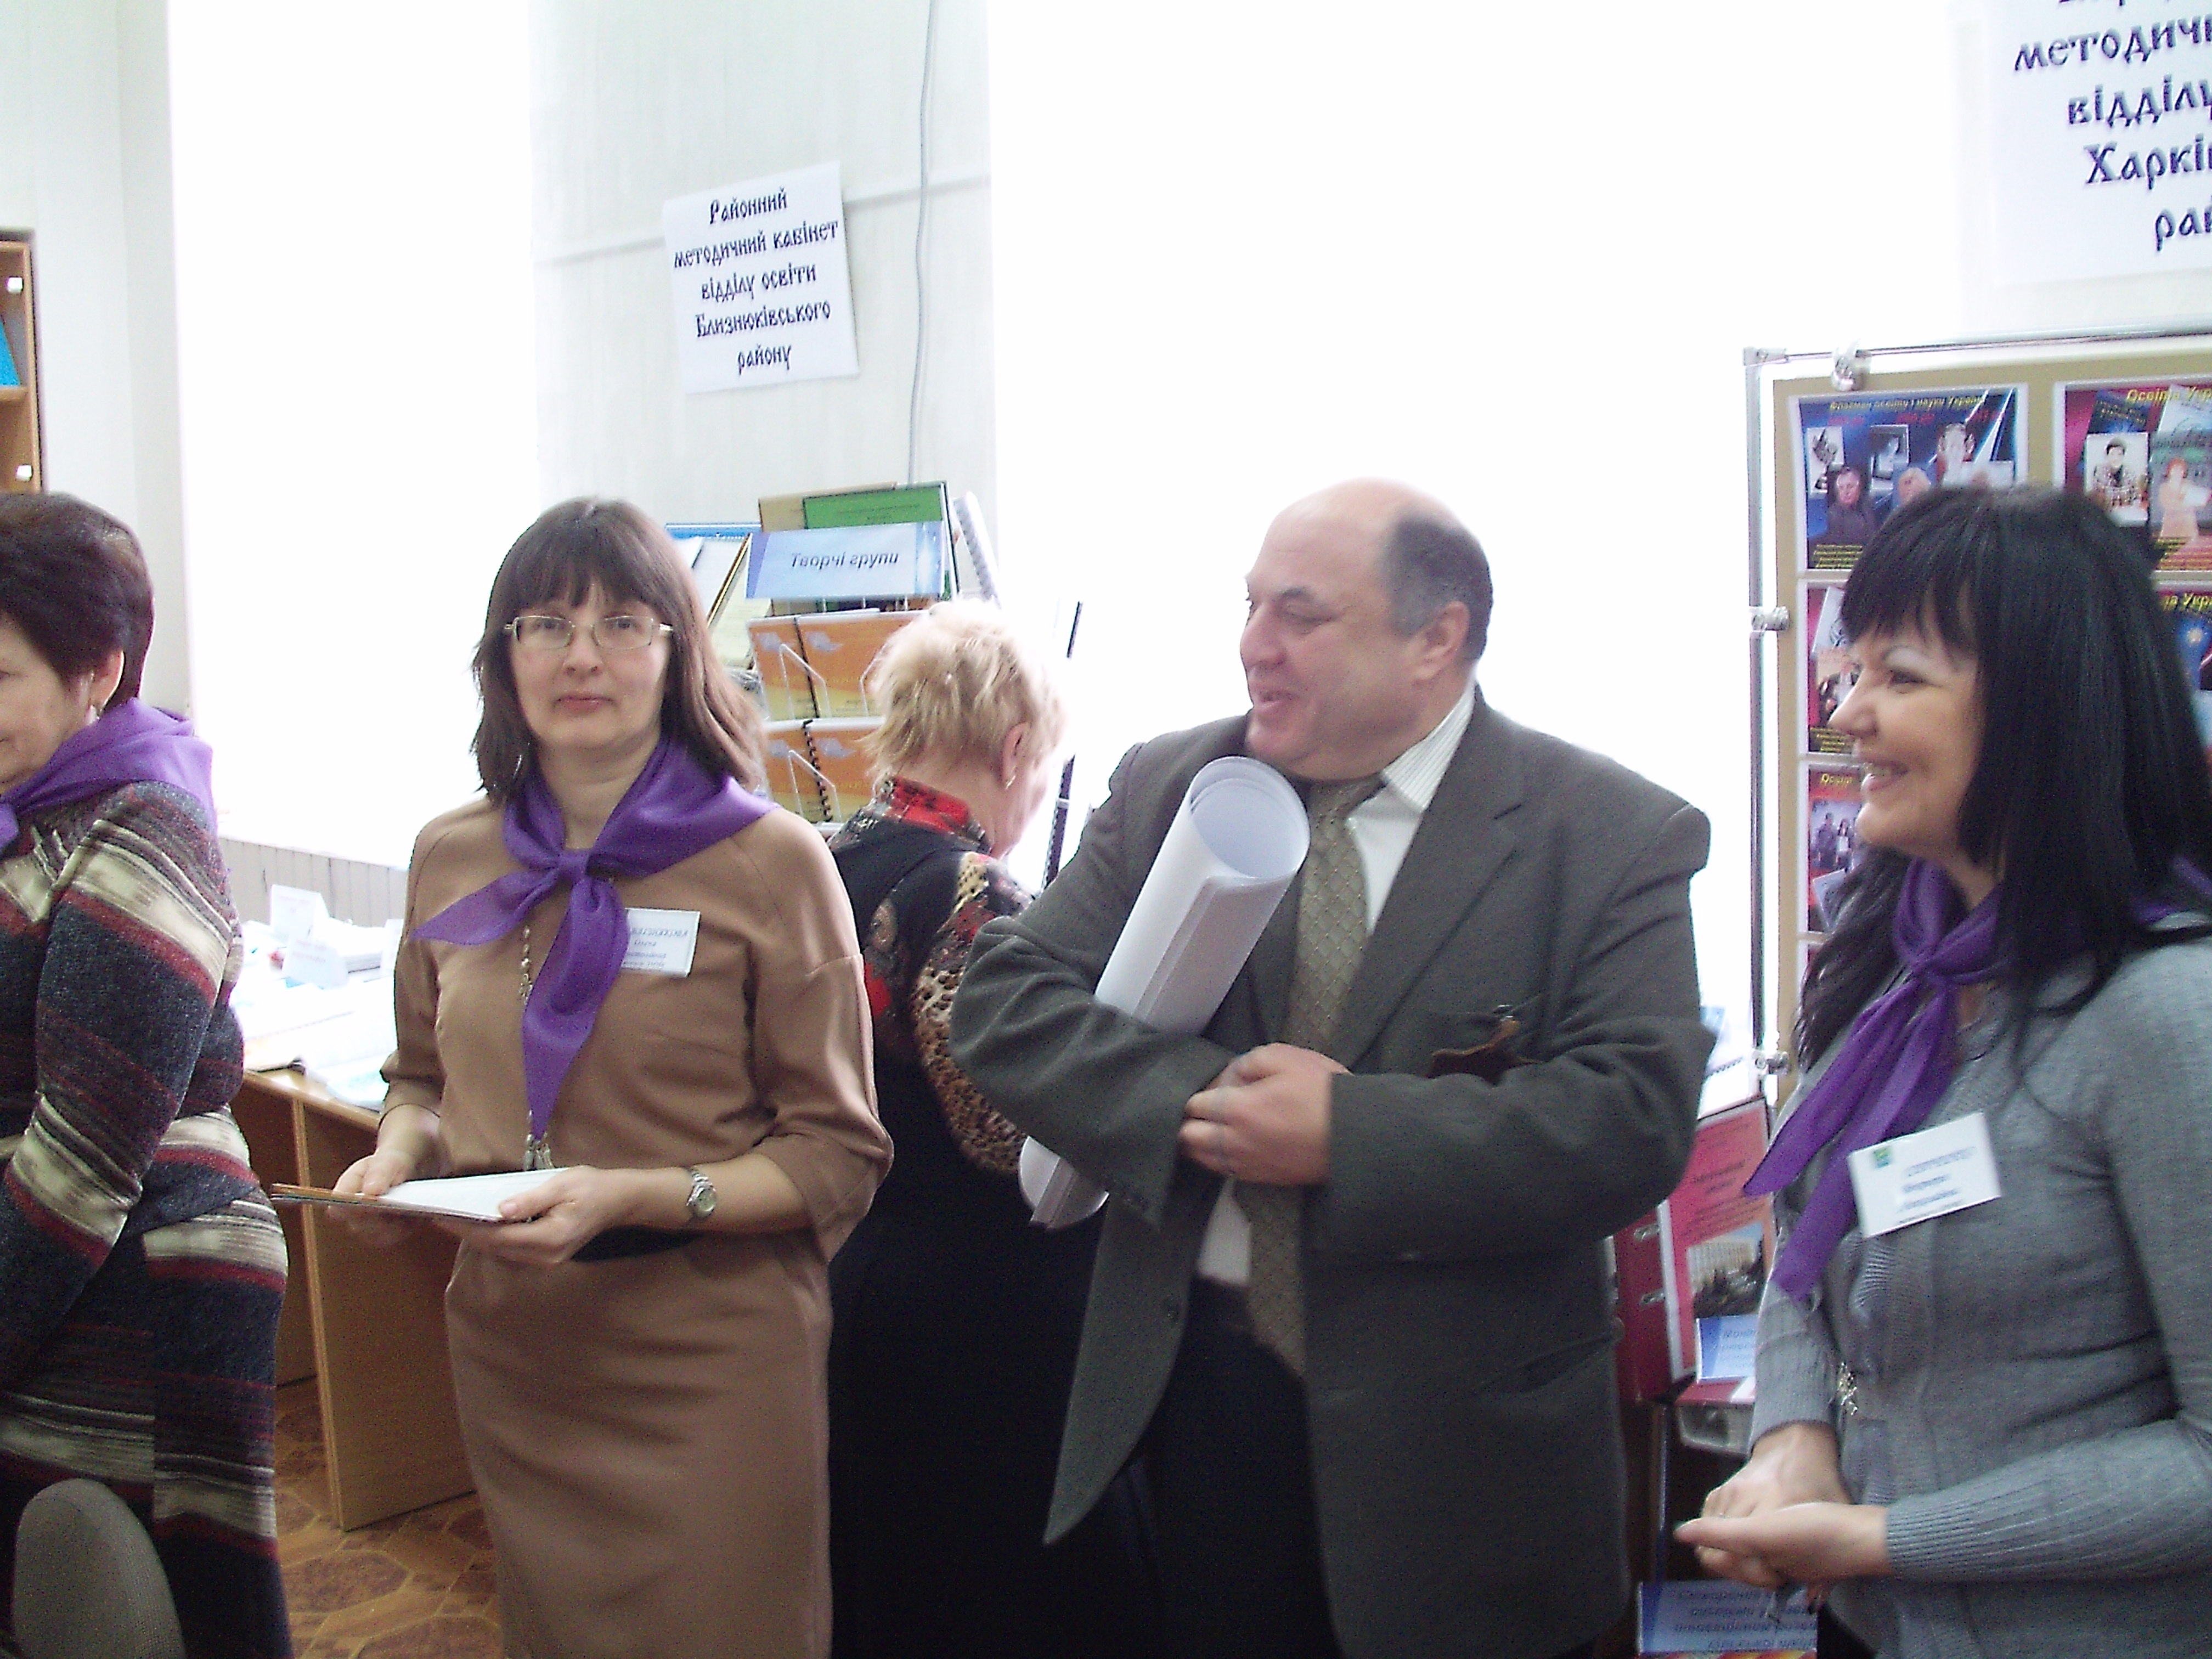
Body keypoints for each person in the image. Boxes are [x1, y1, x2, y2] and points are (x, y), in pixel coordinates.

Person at [950, 479, 1715, 1659]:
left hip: (1464, 1463)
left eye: (1300, 614)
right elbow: (1007, 1001)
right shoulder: (1174, 784)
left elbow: (1633, 1119)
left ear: (1436, 638)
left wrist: (1345, 1135)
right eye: (1250, 605)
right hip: (1198, 1412)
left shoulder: (1608, 834)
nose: (1253, 645)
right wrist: (1201, 1102)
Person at [335, 499, 890, 1659]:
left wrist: (630, 1192)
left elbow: (835, 1155)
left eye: (621, 623)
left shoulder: (774, 862)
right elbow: (419, 1080)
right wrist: (396, 1159)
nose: (581, 655)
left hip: (708, 1356)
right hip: (517, 1347)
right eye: (546, 624)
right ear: (503, 659)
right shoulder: (450, 852)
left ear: (677, 654)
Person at [1677, 487, 2212, 1658]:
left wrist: (1885, 1537)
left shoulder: (2167, 1016)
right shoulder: (1896, 966)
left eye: (1900, 677)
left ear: (2044, 709)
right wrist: (1793, 1437)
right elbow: (1806, 1241)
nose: (1848, 711)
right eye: (1855, 668)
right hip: (1871, 1624)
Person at [823, 602, 1155, 1659]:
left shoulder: (821, 855)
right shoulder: (972, 892)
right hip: (974, 1303)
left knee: (888, 1569)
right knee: (1006, 1587)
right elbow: (1006, 1137)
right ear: (1015, 749)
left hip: (853, 1260)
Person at [0, 495, 290, 1658]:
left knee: (138, 1611)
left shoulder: (140, 829)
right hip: (60, 1277)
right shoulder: (32, 812)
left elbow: (82, 1160)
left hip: (127, 1290)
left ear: (100, 672)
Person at [1816, 466, 1881, 550]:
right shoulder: (1833, 515)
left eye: (1850, 487)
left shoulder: (1869, 509)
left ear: (1859, 488)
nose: (1846, 492)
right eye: (1841, 488)